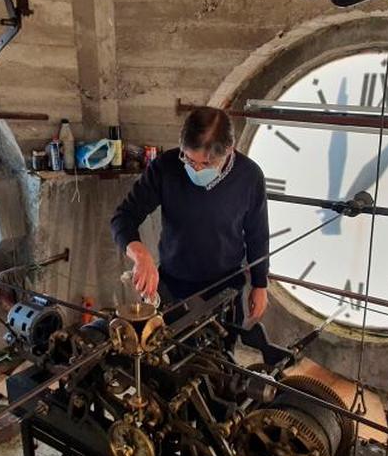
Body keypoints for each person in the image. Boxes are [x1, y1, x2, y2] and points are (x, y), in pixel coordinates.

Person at [110, 106, 270, 324]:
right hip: (173, 284)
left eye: (206, 164)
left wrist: (260, 284)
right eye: (189, 160)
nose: (195, 169)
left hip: (226, 287)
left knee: (219, 355)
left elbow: (257, 234)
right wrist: (140, 255)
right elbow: (124, 217)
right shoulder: (166, 167)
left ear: (229, 149)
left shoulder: (249, 176)